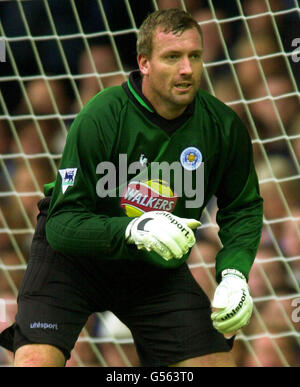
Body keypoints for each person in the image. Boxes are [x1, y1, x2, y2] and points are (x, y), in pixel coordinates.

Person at [0, 9, 263, 367]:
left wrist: (234, 273)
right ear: (144, 63)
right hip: (74, 262)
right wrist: (133, 228)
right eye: (172, 57)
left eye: (194, 56)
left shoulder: (223, 127)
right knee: (33, 362)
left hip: (153, 269)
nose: (187, 69)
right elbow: (61, 225)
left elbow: (242, 207)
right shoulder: (102, 115)